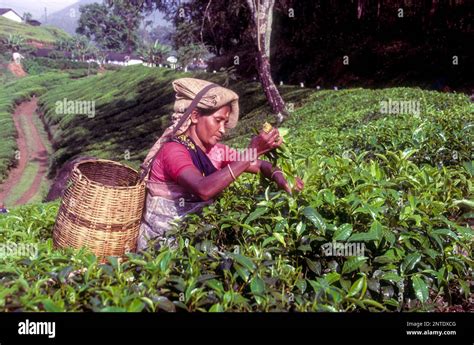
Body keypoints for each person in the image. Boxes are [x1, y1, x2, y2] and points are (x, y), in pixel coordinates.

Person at [137, 78, 304, 251]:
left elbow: (261, 165)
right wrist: (251, 152)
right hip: (159, 251)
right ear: (195, 116)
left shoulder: (216, 151)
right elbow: (203, 189)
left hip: (194, 245)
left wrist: (281, 177)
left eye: (225, 123)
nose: (223, 130)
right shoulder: (173, 151)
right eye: (218, 120)